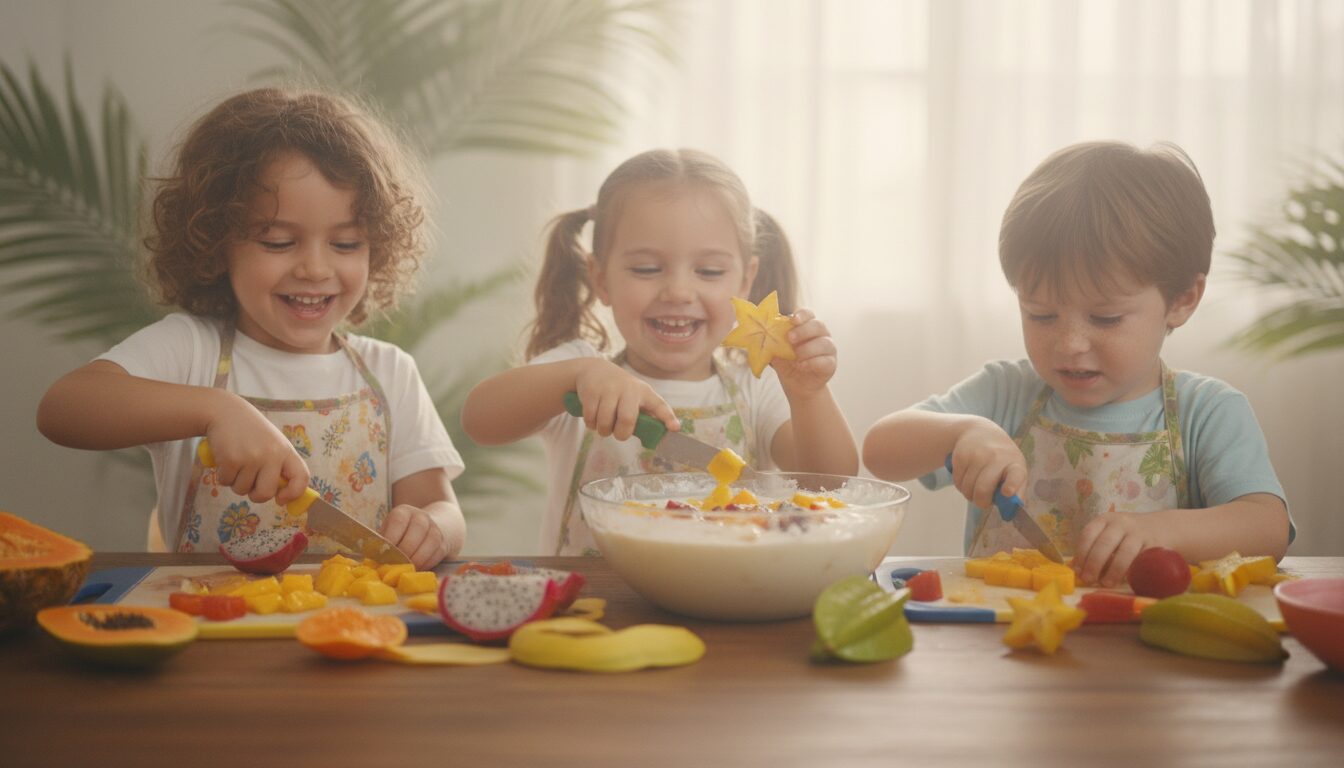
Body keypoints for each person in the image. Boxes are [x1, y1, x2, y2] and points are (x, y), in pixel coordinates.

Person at [36, 88, 464, 569]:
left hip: (359, 613)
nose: (315, 268)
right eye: (278, 242)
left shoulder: (390, 372)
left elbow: (441, 507)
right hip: (208, 614)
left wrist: (433, 528)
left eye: (346, 244)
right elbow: (62, 409)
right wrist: (215, 410)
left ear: (377, 247)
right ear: (216, 242)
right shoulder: (191, 349)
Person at [862, 141, 1292, 587]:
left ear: (1182, 300)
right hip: (1004, 628)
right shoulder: (1005, 393)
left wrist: (1162, 531)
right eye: (1040, 315)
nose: (1069, 345)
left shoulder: (1206, 411)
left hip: (1144, 628)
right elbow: (878, 452)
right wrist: (961, 432)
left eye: (1105, 318)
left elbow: (1268, 528)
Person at [461, 148, 858, 555]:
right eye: (646, 269)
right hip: (596, 594)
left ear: (745, 281)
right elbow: (479, 420)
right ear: (601, 278)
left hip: (733, 589)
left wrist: (809, 394)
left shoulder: (756, 387)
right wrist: (578, 374)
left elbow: (832, 484)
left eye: (709, 271)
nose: (679, 292)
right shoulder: (581, 375)